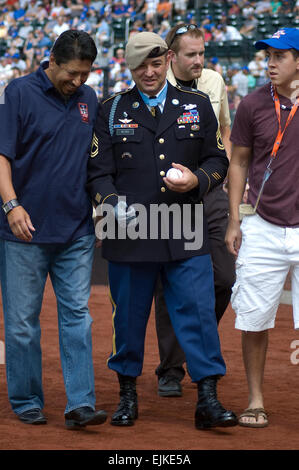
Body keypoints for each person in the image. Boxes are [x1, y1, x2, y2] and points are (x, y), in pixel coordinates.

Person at [87, 31, 238, 430]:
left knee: (199, 312)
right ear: (129, 66)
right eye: (141, 66)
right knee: (129, 318)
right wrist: (110, 203)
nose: (150, 73)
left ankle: (207, 397)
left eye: (156, 64)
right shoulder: (111, 108)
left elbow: (218, 160)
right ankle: (127, 395)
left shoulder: (198, 104)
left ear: (169, 59)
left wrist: (198, 181)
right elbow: (98, 174)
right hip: (127, 228)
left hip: (185, 224)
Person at [0, 30, 107, 429]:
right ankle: (27, 398)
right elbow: (2, 156)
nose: (78, 82)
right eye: (72, 73)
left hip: (76, 230)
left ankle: (80, 403)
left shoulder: (90, 99)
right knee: (23, 322)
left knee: (77, 317)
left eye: (85, 74)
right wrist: (11, 205)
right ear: (53, 61)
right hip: (23, 232)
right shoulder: (19, 93)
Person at [154, 23, 235, 398]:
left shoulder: (215, 82)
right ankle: (170, 368)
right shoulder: (155, 83)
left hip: (211, 185)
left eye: (202, 53)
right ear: (172, 56)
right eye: (192, 54)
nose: (200, 60)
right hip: (171, 195)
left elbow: (225, 132)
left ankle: (192, 343)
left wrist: (230, 180)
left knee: (224, 276)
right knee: (171, 280)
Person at [225, 28, 299, 428]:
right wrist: (235, 219)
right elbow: (238, 162)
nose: (270, 63)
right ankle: (255, 399)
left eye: (280, 56)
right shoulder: (252, 104)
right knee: (253, 319)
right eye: (267, 55)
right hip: (263, 225)